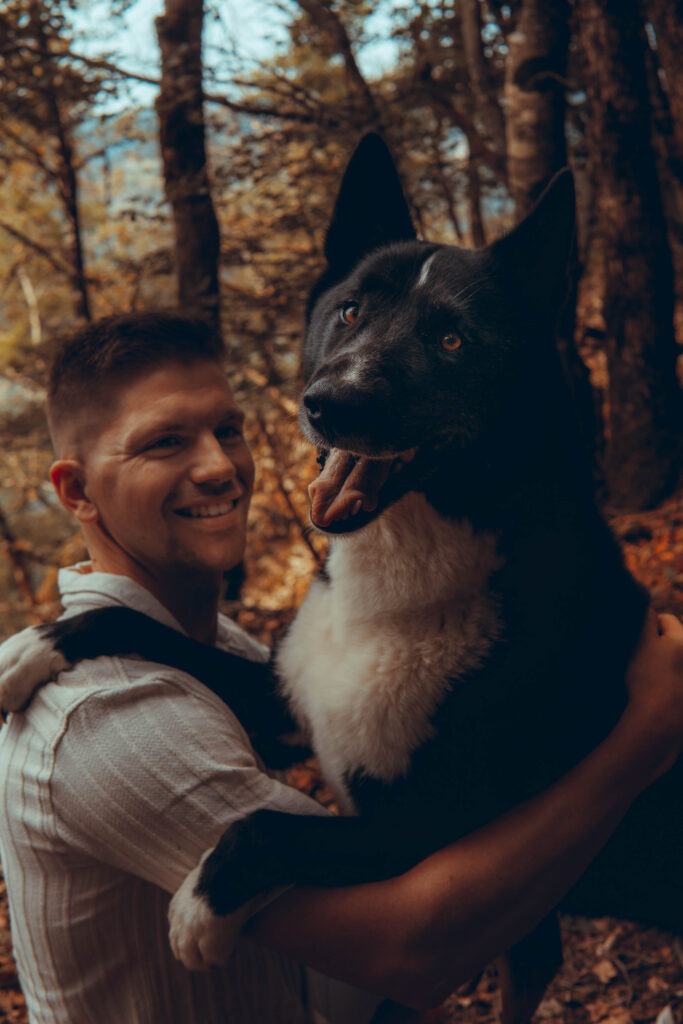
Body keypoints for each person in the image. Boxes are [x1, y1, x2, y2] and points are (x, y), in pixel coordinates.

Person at [0, 311, 682, 1024]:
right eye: (164, 442)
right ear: (77, 493)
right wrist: (644, 738)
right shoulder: (109, 723)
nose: (220, 466)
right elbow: (412, 951)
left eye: (227, 430)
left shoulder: (215, 645)